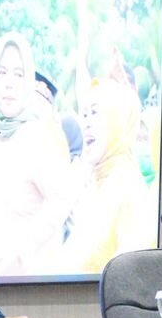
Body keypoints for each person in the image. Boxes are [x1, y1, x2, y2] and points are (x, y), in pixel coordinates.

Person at [0, 31, 73, 276]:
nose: (9, 83)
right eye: (1, 73)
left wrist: (23, 245)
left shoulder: (39, 137)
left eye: (19, 74)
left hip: (31, 282)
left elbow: (60, 202)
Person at [65, 78, 153, 273]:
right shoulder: (93, 184)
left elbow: (128, 273)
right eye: (85, 114)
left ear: (118, 121)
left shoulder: (128, 188)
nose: (86, 123)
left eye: (94, 113)